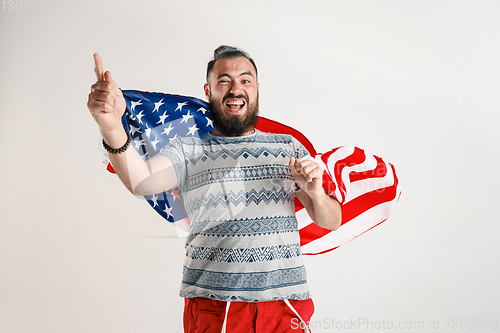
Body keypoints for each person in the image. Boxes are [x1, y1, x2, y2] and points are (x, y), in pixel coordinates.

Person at [87, 45, 341, 332]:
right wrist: (111, 127)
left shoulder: (287, 147)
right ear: (207, 91)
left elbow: (331, 221)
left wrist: (317, 192)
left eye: (245, 80)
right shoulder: (188, 149)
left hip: (285, 309)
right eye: (224, 81)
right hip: (216, 310)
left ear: (257, 89)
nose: (235, 89)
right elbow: (141, 180)